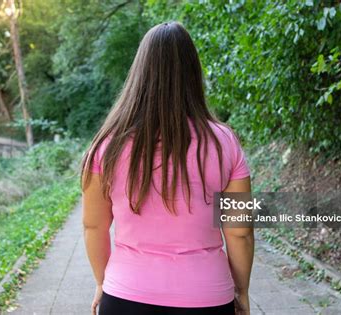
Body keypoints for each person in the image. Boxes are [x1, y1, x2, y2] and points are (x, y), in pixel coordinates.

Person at [81, 21, 254, 315]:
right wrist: (242, 290)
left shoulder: (106, 146)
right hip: (207, 297)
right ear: (193, 73)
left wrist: (102, 282)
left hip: (125, 295)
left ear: (139, 74)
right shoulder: (225, 142)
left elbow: (93, 226)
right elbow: (240, 232)